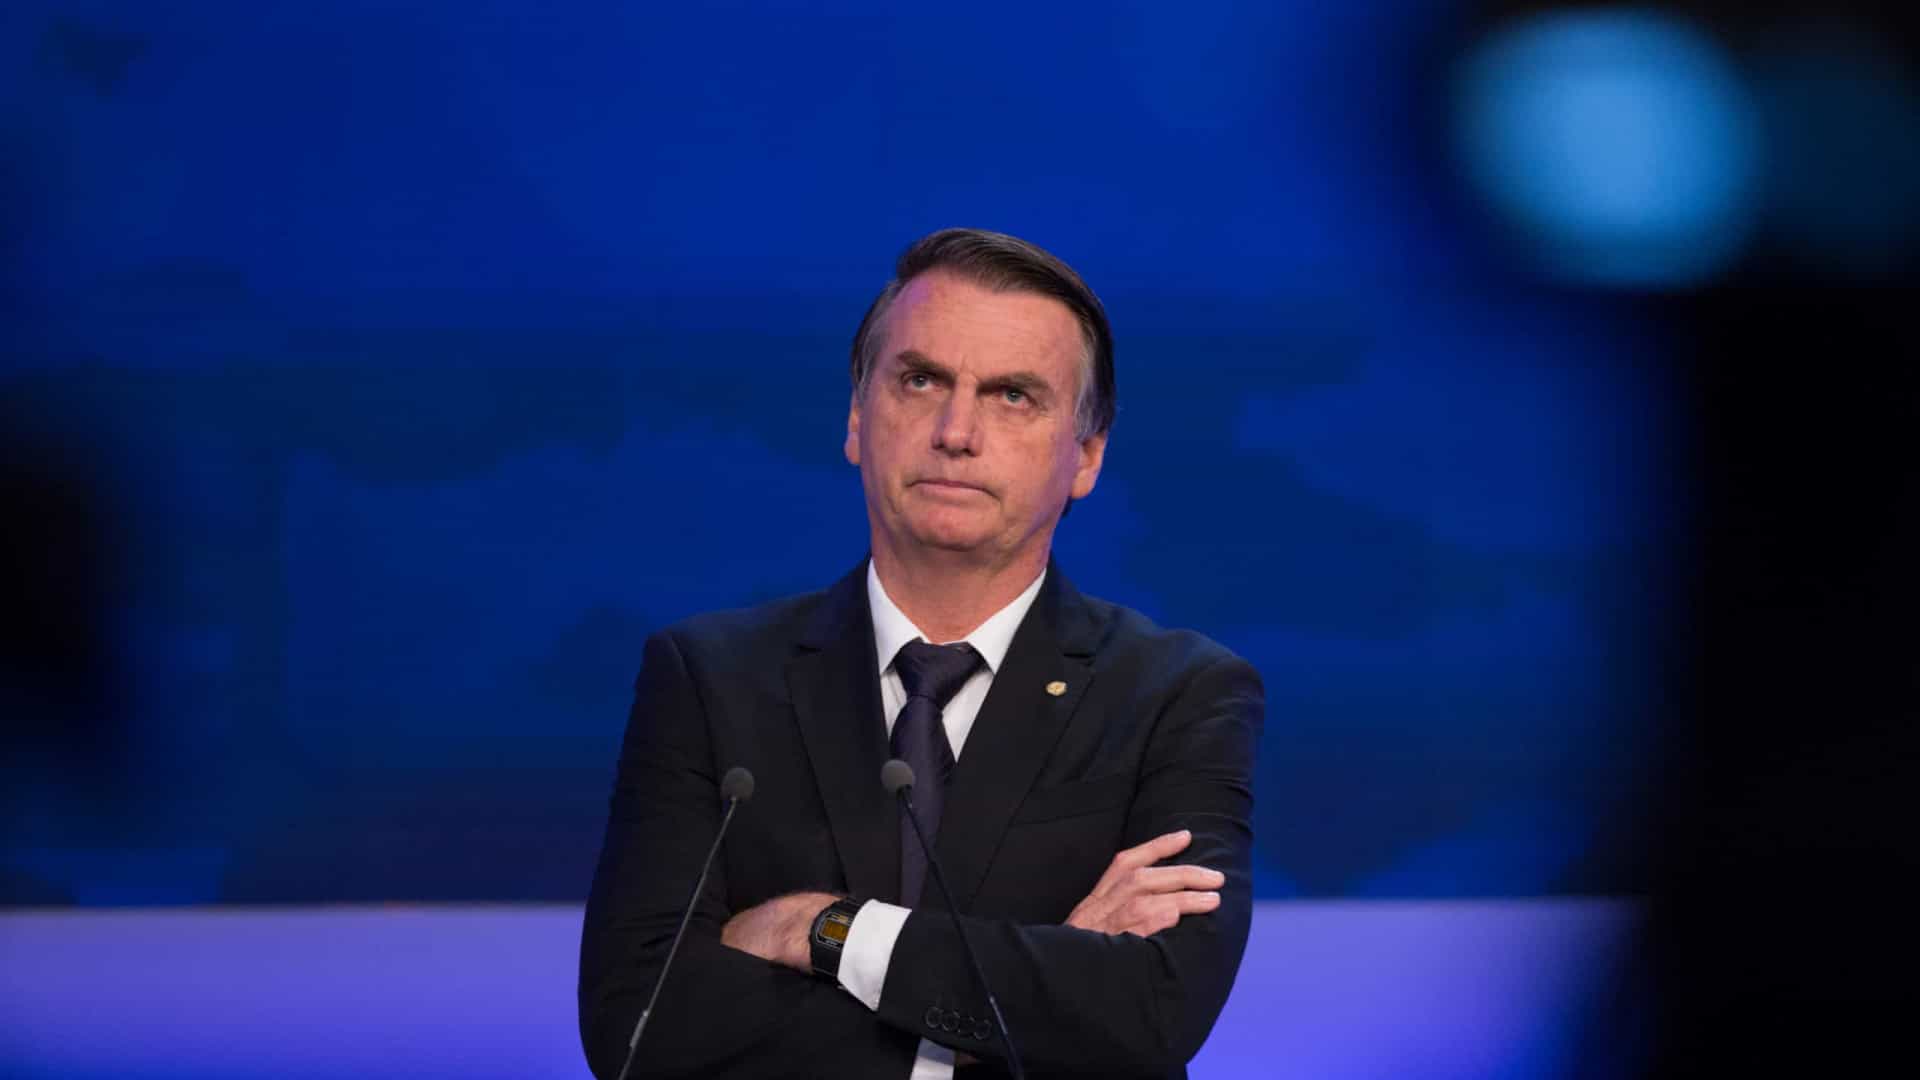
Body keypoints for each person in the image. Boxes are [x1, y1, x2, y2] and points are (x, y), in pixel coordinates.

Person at [579, 228, 1264, 1080]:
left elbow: (1150, 1010)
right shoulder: (708, 679)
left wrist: (818, 929)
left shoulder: (1178, 695)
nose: (956, 431)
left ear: (1086, 456)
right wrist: (1026, 1006)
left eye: (1013, 395)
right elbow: (638, 1024)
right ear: (857, 418)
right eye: (921, 380)